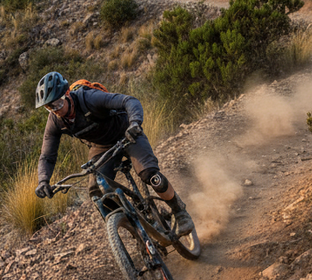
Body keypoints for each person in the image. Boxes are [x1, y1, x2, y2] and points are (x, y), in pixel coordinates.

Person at [33, 71, 194, 236]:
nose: (55, 110)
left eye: (57, 103)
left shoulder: (89, 98)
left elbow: (129, 101)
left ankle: (179, 211)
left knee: (150, 175)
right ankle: (136, 232)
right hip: (101, 146)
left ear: (67, 93)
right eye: (49, 107)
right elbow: (47, 155)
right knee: (97, 193)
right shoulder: (55, 121)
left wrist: (135, 123)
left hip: (127, 134)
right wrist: (43, 180)